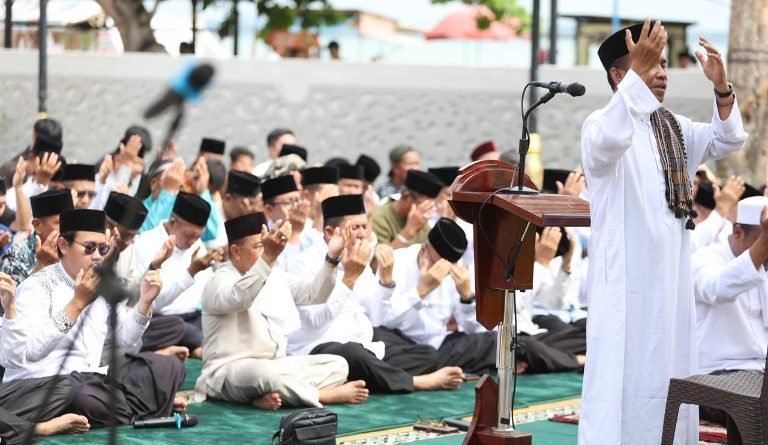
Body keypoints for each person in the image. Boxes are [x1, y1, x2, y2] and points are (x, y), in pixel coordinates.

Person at [579, 20, 748, 444]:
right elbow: (613, 138)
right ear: (620, 75)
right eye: (651, 64)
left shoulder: (672, 128)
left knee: (670, 374)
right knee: (623, 383)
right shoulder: (600, 126)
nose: (662, 73)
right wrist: (639, 74)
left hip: (670, 288)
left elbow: (726, 140)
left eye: (663, 64)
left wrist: (722, 88)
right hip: (625, 288)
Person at [4, 208, 185, 427]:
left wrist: (144, 303)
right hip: (44, 384)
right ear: (63, 245)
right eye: (89, 248)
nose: (98, 256)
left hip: (93, 379)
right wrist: (77, 303)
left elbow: (125, 339)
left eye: (103, 248)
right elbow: (31, 352)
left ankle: (134, 406)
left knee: (167, 366)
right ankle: (143, 406)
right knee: (77, 389)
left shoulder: (103, 283)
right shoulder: (37, 286)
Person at [290, 195, 465, 393]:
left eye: (365, 227)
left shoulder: (361, 260)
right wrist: (348, 279)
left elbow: (377, 317)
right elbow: (315, 322)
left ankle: (364, 376)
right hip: (320, 348)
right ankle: (417, 382)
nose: (363, 234)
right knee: (354, 354)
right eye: (355, 228)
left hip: (364, 345)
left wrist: (386, 282)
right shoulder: (306, 263)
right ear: (331, 233)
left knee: (428, 355)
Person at [195, 212, 368, 410]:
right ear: (235, 252)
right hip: (227, 371)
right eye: (260, 247)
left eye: (267, 246)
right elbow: (240, 298)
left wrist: (332, 258)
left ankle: (267, 395)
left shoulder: (274, 275)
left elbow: (315, 294)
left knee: (338, 365)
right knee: (266, 376)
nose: (266, 252)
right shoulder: (218, 281)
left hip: (275, 365)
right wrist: (268, 257)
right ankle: (322, 395)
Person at [692, 196, 768, 424]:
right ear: (737, 232)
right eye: (760, 239)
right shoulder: (704, 259)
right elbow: (717, 288)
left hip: (760, 372)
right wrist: (763, 246)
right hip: (717, 375)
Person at [132, 192, 223, 359]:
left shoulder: (197, 245)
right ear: (173, 222)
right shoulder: (145, 243)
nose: (193, 241)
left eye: (198, 236)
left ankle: (191, 345)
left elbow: (206, 296)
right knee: (177, 326)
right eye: (189, 235)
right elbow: (153, 303)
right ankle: (195, 345)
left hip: (194, 318)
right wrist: (191, 272)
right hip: (161, 320)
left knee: (222, 323)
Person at [0, 189, 73, 285]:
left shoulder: (77, 248)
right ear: (37, 225)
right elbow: (14, 298)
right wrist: (42, 265)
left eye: (71, 222)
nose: (68, 229)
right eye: (60, 223)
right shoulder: (15, 256)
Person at [371, 170, 443, 249]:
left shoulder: (422, 222)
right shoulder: (380, 218)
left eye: (431, 207)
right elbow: (379, 260)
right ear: (406, 196)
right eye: (424, 206)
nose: (428, 212)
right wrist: (409, 230)